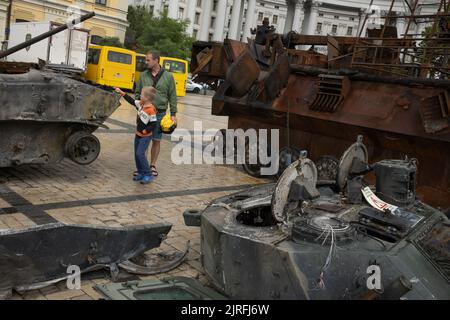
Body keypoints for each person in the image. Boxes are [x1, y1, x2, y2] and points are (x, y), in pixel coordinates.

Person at [135, 51, 178, 177]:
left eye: (148, 60)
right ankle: (143, 166)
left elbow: (172, 96)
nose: (146, 62)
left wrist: (173, 114)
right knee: (143, 139)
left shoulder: (168, 76)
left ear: (156, 60)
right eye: (146, 60)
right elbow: (137, 93)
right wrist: (140, 107)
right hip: (144, 114)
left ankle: (152, 165)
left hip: (160, 114)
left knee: (156, 140)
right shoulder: (143, 75)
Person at [115, 86, 158, 184]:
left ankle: (148, 174)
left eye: (142, 94)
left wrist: (145, 131)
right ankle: (141, 172)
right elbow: (131, 101)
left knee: (140, 154)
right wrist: (122, 92)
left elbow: (154, 124)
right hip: (138, 134)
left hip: (145, 137)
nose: (140, 96)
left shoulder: (151, 109)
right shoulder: (141, 104)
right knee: (137, 154)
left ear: (146, 97)